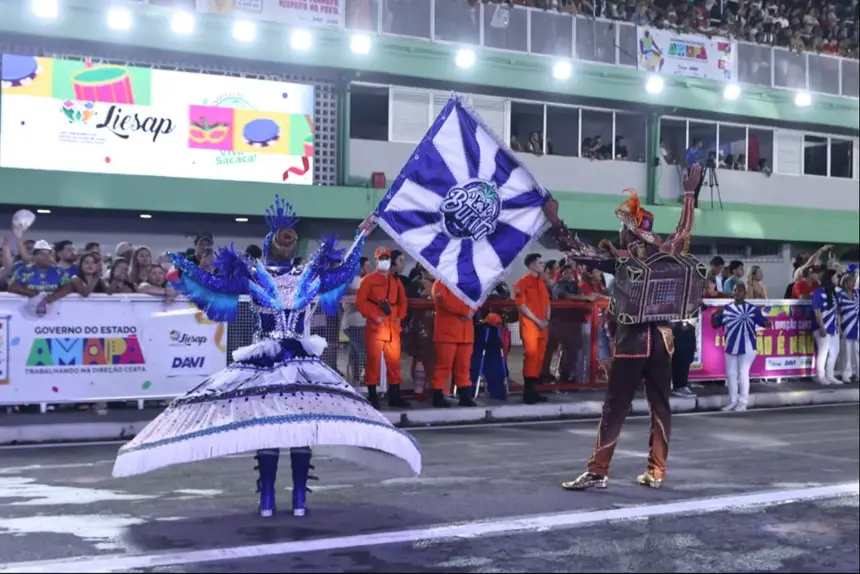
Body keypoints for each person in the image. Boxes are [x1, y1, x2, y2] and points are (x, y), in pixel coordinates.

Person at [112, 202, 421, 520]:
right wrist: (180, 267)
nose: (286, 241)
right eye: (283, 237)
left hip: (287, 361)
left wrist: (360, 236)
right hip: (281, 361)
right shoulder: (272, 274)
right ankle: (279, 497)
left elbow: (342, 272)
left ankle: (284, 498)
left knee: (287, 426)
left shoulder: (292, 273)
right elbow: (214, 284)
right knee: (282, 426)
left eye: (288, 237)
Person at [543, 171, 704, 491]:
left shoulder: (621, 260)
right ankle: (656, 472)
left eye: (622, 229)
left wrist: (555, 222)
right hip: (663, 340)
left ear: (630, 233)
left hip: (633, 341)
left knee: (615, 407)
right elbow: (685, 229)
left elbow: (576, 250)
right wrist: (689, 193)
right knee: (661, 406)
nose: (619, 234)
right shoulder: (668, 252)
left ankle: (598, 471)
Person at [356, 247, 411, 410]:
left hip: (393, 328)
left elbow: (403, 301)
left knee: (394, 363)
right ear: (376, 260)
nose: (384, 261)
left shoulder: (396, 281)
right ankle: (372, 396)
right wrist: (374, 315)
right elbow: (361, 301)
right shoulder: (368, 280)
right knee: (373, 363)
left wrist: (400, 317)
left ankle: (394, 395)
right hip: (376, 327)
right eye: (381, 258)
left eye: (386, 258)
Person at [711, 283, 771, 412]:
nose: (737, 293)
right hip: (731, 346)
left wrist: (767, 322)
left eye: (740, 291)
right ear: (732, 293)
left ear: (745, 293)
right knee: (731, 374)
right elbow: (715, 325)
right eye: (735, 291)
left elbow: (765, 323)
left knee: (743, 373)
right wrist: (715, 314)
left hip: (748, 345)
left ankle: (743, 403)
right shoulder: (727, 309)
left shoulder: (752, 309)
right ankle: (733, 401)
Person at [430, 279, 478, 408]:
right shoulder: (440, 284)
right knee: (444, 366)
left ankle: (464, 396)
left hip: (465, 333)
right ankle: (438, 396)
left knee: (464, 366)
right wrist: (465, 311)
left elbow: (477, 298)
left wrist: (471, 310)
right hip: (447, 332)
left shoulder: (467, 283)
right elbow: (444, 301)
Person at [514, 253, 551, 405]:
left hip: (542, 326)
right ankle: (528, 392)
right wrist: (538, 321)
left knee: (539, 358)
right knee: (531, 357)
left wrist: (546, 320)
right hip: (530, 326)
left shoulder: (541, 283)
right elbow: (521, 305)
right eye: (540, 263)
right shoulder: (521, 283)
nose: (543, 265)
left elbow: (547, 303)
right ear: (531, 265)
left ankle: (533, 391)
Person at [812, 269, 842, 386]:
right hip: (822, 327)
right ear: (830, 278)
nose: (838, 279)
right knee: (823, 351)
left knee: (834, 351)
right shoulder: (819, 292)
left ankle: (830, 375)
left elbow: (837, 311)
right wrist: (822, 327)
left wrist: (838, 326)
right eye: (836, 277)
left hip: (833, 327)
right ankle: (821, 376)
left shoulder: (834, 293)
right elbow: (817, 311)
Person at [838, 270, 859, 383]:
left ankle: (857, 373)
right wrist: (839, 326)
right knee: (846, 352)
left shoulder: (857, 294)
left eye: (854, 281)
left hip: (857, 326)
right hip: (846, 326)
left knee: (857, 351)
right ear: (845, 283)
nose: (854, 283)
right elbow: (838, 311)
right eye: (851, 281)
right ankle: (846, 374)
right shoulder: (840, 295)